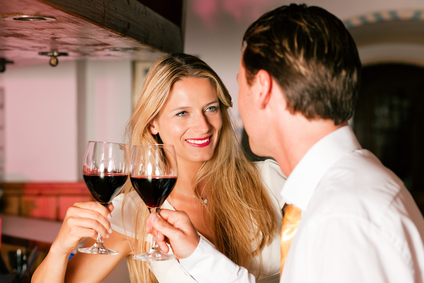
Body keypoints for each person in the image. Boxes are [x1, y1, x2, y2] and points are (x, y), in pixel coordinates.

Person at [147, 4, 424, 283]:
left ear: (263, 89)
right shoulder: (343, 193)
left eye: (241, 84)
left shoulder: (342, 218)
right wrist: (198, 255)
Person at [31, 53, 286, 283]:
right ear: (153, 124)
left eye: (211, 108)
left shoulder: (269, 180)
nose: (203, 125)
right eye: (182, 113)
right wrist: (60, 248)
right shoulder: (134, 211)